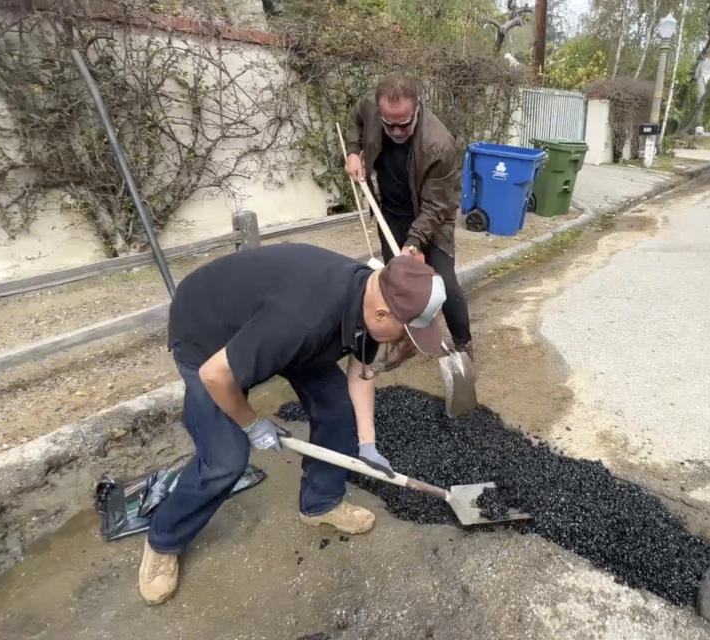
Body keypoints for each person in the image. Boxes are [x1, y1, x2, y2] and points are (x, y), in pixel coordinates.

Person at [138, 244, 447, 605]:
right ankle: (164, 540)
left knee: (338, 410)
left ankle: (320, 503)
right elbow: (216, 375)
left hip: (274, 329)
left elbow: (361, 373)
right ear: (381, 313)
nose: (404, 342)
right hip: (207, 334)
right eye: (405, 333)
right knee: (225, 458)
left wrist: (367, 442)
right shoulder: (304, 319)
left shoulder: (367, 297)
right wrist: (251, 424)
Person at [344, 74, 473, 364]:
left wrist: (414, 244)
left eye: (404, 123)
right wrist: (353, 151)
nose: (397, 130)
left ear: (417, 108)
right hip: (389, 212)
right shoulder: (371, 109)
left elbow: (438, 206)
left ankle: (464, 348)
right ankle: (406, 339)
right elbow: (357, 119)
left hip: (431, 216)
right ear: (380, 112)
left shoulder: (439, 144)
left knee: (445, 285)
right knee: (396, 283)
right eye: (389, 124)